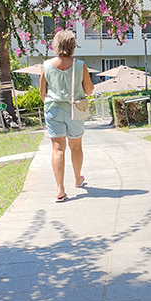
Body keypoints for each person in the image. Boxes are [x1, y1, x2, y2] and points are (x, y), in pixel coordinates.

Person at [39, 29, 94, 202]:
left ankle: (60, 189)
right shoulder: (80, 65)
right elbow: (89, 90)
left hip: (53, 109)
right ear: (73, 45)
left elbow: (42, 92)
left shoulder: (46, 66)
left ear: (55, 44)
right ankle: (77, 178)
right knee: (75, 147)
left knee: (58, 149)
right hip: (74, 110)